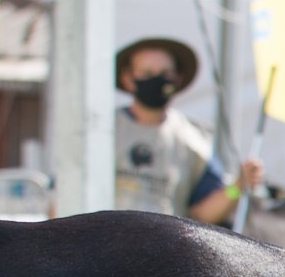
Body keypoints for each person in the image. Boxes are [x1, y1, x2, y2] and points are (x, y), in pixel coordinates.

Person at [112, 36, 265, 224]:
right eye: (147, 73)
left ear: (178, 78)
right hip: (100, 246)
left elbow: (202, 215)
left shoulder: (195, 140)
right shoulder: (100, 130)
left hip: (165, 248)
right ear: (127, 78)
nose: (157, 79)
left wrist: (239, 185)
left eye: (165, 73)